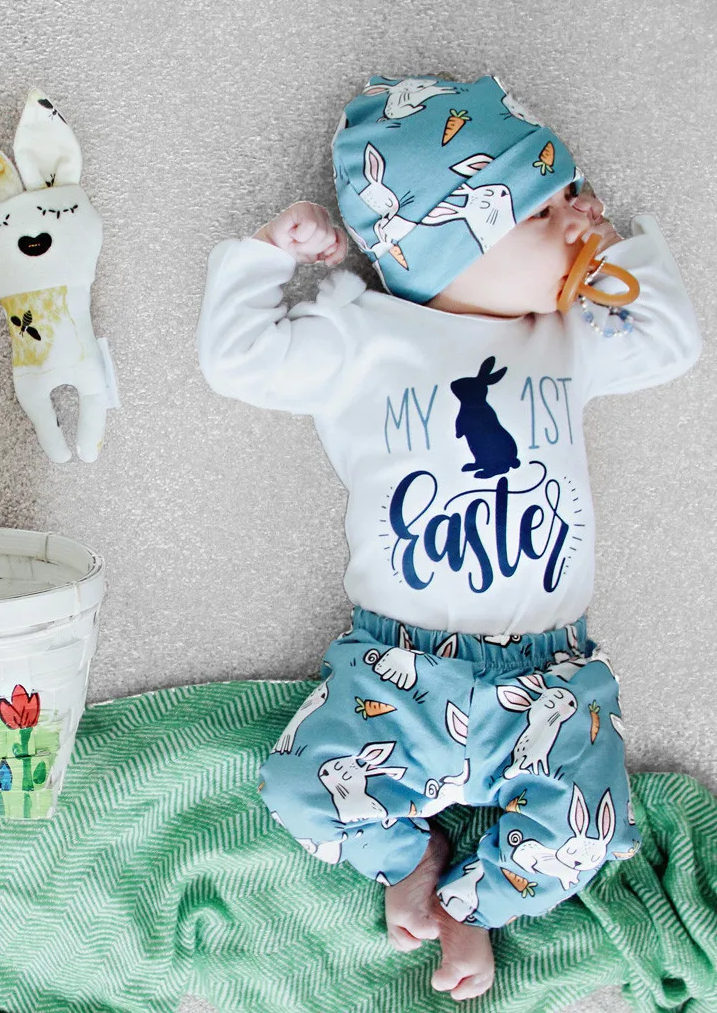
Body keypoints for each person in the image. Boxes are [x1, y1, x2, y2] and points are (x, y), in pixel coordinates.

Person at [195, 74, 702, 1001]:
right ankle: (407, 862)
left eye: (575, 200)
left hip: (549, 674)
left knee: (586, 829)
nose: (579, 219)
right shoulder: (362, 335)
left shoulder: (565, 332)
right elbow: (238, 359)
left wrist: (606, 246)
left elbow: (670, 343)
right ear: (450, 242)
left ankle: (475, 907)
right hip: (399, 668)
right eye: (548, 211)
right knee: (302, 789)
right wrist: (271, 254)